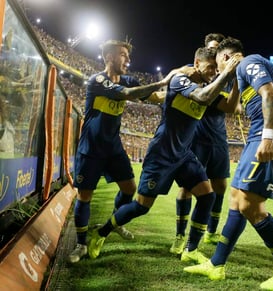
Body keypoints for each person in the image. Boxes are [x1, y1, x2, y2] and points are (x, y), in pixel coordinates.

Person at [87, 47, 242, 264]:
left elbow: (230, 106)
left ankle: (191, 248)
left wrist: (234, 80)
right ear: (196, 63)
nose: (213, 72)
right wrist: (225, 74)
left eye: (216, 69)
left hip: (184, 155)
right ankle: (101, 232)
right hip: (161, 153)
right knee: (142, 206)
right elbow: (202, 97)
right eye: (210, 68)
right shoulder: (180, 80)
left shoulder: (210, 84)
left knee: (207, 196)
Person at [184, 37, 273, 290]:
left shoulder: (250, 62)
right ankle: (217, 265)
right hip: (259, 136)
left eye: (218, 62)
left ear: (226, 57)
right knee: (236, 199)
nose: (217, 68)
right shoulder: (241, 74)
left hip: (266, 136)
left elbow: (272, 95)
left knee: (251, 205)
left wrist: (272, 139)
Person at [68, 39, 180, 263]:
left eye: (128, 56)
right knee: (85, 196)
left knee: (129, 189)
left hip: (114, 147)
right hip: (91, 148)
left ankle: (114, 222)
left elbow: (153, 97)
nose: (128, 60)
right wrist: (164, 81)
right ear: (109, 57)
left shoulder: (129, 80)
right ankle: (80, 244)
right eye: (123, 55)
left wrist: (180, 90)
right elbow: (128, 94)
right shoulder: (98, 80)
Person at [169, 32, 241, 255]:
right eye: (212, 49)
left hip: (218, 138)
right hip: (196, 137)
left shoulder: (224, 80)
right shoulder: (192, 75)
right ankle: (180, 235)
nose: (217, 55)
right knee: (187, 187)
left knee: (219, 186)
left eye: (219, 51)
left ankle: (210, 230)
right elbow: (175, 77)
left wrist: (234, 78)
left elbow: (235, 108)